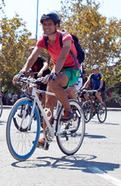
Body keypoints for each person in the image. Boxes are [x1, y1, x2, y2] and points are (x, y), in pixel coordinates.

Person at [16, 12, 81, 147]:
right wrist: (22, 71)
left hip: (72, 69)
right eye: (44, 24)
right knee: (48, 106)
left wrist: (53, 73)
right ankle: (46, 138)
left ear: (57, 25)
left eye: (50, 24)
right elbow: (33, 57)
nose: (46, 27)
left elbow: (62, 57)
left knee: (53, 82)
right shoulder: (44, 39)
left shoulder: (65, 37)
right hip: (57, 70)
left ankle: (68, 110)